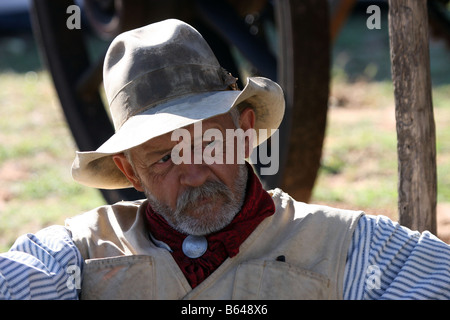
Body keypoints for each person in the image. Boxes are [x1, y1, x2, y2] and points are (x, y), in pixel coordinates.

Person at [1, 19, 449, 300]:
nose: (194, 173)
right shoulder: (80, 253)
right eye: (163, 159)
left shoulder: (342, 246)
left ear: (245, 131)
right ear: (128, 171)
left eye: (208, 144)